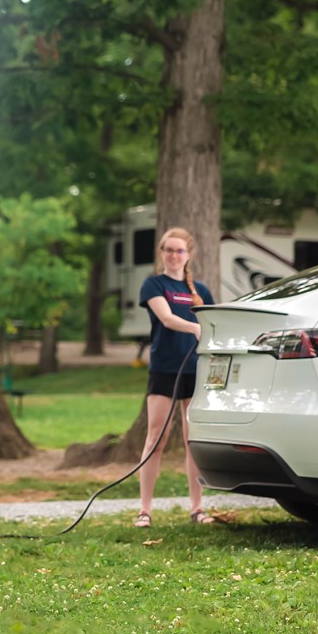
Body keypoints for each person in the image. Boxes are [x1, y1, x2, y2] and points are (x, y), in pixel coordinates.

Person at [136, 226, 214, 528]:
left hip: (196, 370)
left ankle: (197, 507)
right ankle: (144, 510)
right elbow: (166, 319)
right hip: (165, 369)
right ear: (162, 253)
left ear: (188, 255)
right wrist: (194, 327)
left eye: (179, 250)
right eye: (168, 250)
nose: (173, 255)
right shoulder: (153, 285)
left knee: (191, 439)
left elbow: (212, 321)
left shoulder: (201, 291)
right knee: (156, 437)